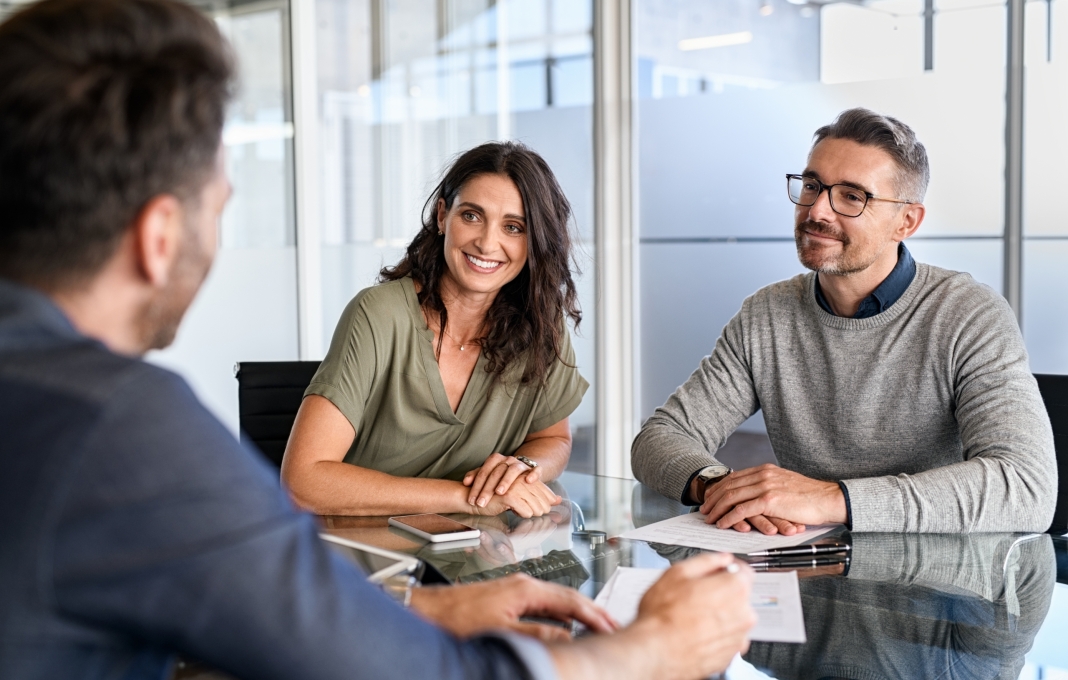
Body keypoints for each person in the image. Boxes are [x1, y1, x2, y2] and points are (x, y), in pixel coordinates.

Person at [0, 1, 757, 679]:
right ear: (160, 235)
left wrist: (426, 609)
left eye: (514, 227)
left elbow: (233, 619)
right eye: (221, 203)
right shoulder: (122, 430)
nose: (488, 240)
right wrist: (650, 649)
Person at [632, 108, 1057, 535]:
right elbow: (659, 438)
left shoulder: (968, 315)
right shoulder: (766, 314)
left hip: (940, 584)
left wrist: (830, 498)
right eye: (812, 185)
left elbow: (1024, 487)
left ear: (905, 221)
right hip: (805, 571)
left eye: (852, 196)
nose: (817, 211)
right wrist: (720, 487)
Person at [281, 142, 587, 518]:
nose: (488, 243)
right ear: (443, 216)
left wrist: (523, 467)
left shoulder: (542, 324)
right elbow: (303, 482)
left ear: (534, 240)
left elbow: (552, 438)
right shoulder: (378, 314)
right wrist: (466, 499)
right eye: (472, 216)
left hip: (473, 558)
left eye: (513, 227)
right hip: (362, 557)